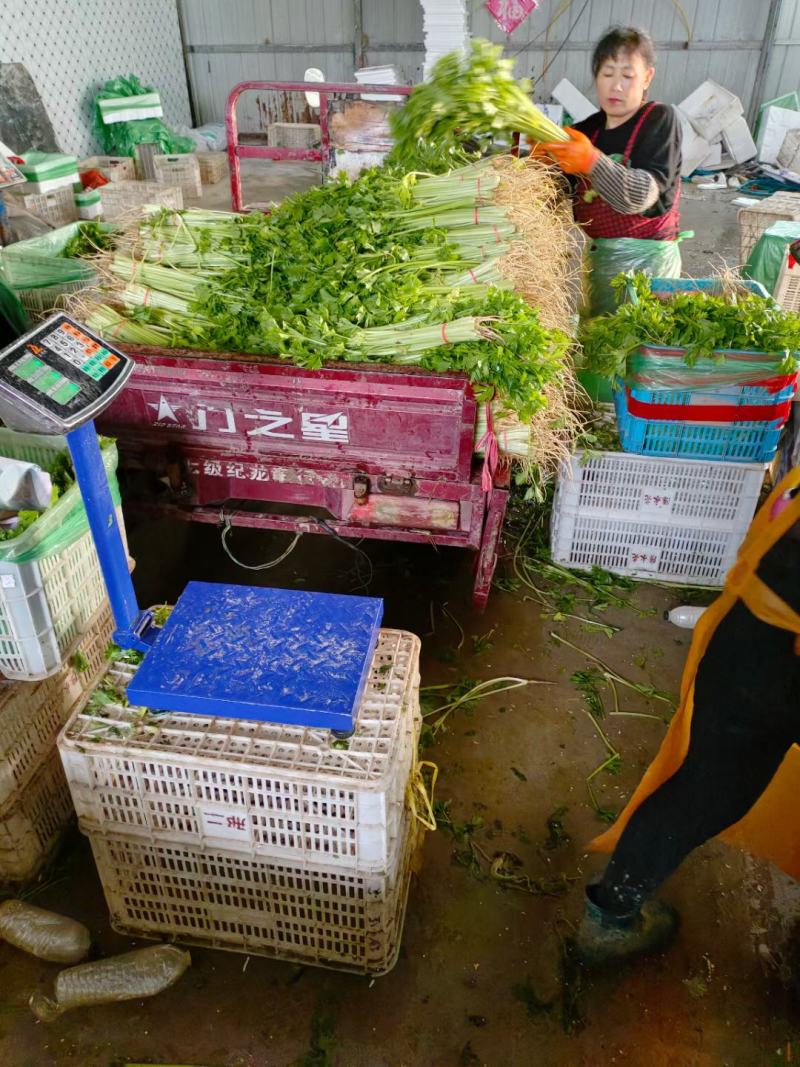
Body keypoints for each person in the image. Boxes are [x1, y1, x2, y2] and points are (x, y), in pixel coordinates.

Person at [574, 470, 800, 968]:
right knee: (709, 792)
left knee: (704, 789)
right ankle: (611, 920)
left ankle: (611, 915)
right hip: (776, 655)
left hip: (754, 632)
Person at [535, 26, 684, 320]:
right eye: (607, 74)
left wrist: (592, 161)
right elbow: (557, 194)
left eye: (627, 76)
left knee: (641, 347)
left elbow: (642, 194)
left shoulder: (659, 119)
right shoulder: (585, 130)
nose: (616, 86)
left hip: (650, 269)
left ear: (647, 78)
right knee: (600, 345)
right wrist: (538, 165)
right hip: (600, 264)